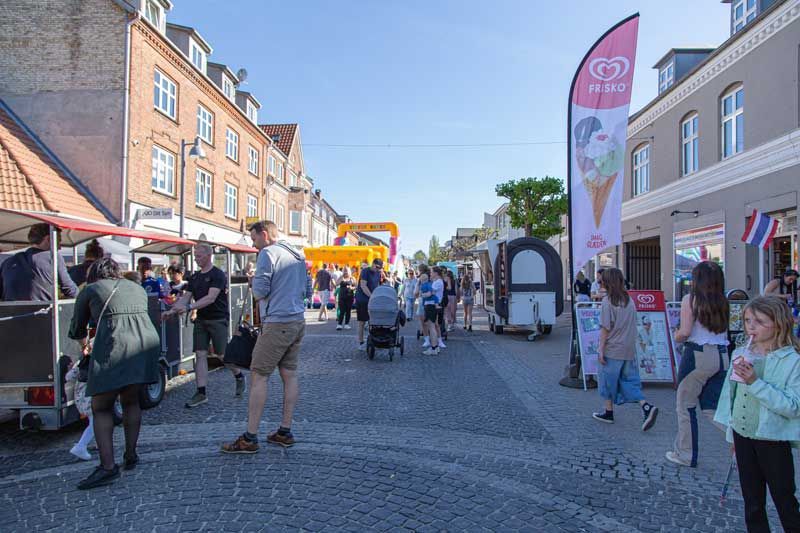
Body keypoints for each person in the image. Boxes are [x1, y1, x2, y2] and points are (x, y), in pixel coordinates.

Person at [68, 258, 160, 489]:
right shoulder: (136, 288)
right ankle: (131, 455)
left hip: (114, 349)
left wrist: (86, 345)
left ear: (94, 274)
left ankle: (108, 467)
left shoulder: (91, 289)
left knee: (101, 407)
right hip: (143, 347)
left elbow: (76, 329)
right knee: (131, 402)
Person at [714, 296, 800, 533]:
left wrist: (755, 382)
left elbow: (793, 406)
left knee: (785, 500)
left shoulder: (792, 360)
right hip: (744, 434)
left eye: (759, 321)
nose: (751, 326)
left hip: (772, 438)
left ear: (778, 324)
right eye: (747, 320)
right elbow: (731, 397)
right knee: (752, 502)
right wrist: (732, 434)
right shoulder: (741, 353)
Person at [221, 221, 307, 454]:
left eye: (254, 238)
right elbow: (306, 290)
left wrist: (252, 279)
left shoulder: (268, 254)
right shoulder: (298, 253)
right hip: (298, 320)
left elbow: (259, 291)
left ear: (265, 234)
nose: (253, 243)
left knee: (259, 376)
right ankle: (285, 431)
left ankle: (250, 438)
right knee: (289, 374)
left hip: (278, 321)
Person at [162, 244, 244, 407]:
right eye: (195, 256)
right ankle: (201, 392)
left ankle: (238, 374)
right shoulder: (195, 277)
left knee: (221, 355)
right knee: (200, 354)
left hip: (218, 319)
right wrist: (171, 311)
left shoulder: (218, 275)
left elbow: (210, 298)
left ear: (208, 256)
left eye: (199, 256)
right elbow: (186, 297)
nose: (196, 259)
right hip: (201, 320)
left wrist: (189, 308)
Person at [666, 261, 730, 468]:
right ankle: (743, 440)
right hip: (722, 355)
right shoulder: (724, 300)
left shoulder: (690, 299)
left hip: (699, 355)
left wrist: (676, 336)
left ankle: (686, 454)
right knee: (712, 408)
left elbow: (684, 332)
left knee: (685, 405)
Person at [592, 268, 659, 430]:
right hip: (628, 348)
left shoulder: (608, 302)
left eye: (602, 281)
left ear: (608, 283)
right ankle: (645, 406)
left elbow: (605, 328)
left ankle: (608, 412)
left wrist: (600, 349)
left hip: (612, 348)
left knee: (606, 381)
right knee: (628, 380)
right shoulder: (629, 300)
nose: (600, 284)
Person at [0, 223, 78, 301]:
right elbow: (71, 290)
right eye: (58, 241)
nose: (60, 247)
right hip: (42, 312)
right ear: (48, 239)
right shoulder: (53, 257)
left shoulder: (7, 262)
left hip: (11, 312)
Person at [65, 357, 94, 461]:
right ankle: (81, 446)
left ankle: (86, 444)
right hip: (91, 397)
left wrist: (71, 368)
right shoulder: (98, 359)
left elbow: (68, 377)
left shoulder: (81, 362)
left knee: (95, 422)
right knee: (95, 423)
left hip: (80, 398)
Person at [355, 258, 383, 351]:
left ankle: (374, 340)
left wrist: (378, 295)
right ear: (373, 264)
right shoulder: (365, 271)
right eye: (377, 267)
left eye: (380, 268)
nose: (378, 269)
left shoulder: (378, 273)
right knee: (362, 322)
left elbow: (377, 285)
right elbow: (363, 285)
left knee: (374, 321)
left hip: (372, 299)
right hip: (362, 299)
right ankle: (361, 342)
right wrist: (371, 296)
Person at [419, 273, 440, 355]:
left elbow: (430, 293)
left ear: (422, 279)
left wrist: (422, 295)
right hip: (432, 306)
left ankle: (433, 348)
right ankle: (436, 347)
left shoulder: (424, 285)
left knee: (431, 327)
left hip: (429, 306)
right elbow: (433, 292)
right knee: (432, 326)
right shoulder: (430, 284)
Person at [431, 267, 446, 349]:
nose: (430, 274)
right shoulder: (436, 281)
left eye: (431, 272)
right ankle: (438, 341)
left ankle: (438, 342)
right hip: (434, 304)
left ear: (436, 273)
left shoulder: (438, 282)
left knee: (435, 324)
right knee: (435, 324)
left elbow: (431, 292)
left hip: (435, 305)